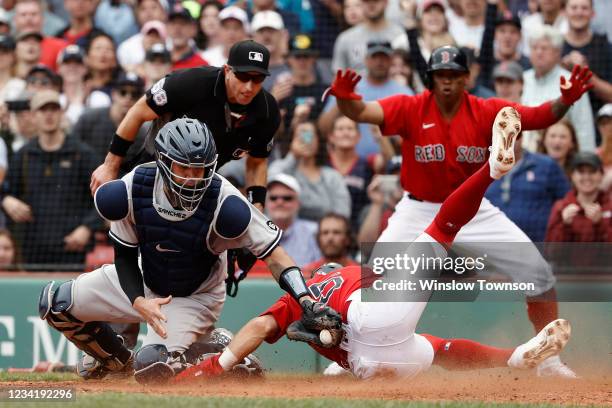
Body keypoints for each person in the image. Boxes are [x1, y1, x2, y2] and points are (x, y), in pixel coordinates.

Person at [174, 108, 572, 381]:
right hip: (375, 319)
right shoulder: (350, 276)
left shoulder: (302, 295)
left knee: (436, 349)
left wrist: (217, 367)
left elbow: (262, 326)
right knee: (442, 230)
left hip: (371, 358)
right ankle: (491, 168)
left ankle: (514, 358)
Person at [324, 45, 594, 377]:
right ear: (430, 79)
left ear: (467, 78)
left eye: (454, 75)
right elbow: (362, 111)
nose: (447, 82)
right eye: (441, 75)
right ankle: (346, 355)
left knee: (537, 272)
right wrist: (343, 99)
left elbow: (538, 116)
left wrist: (565, 101)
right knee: (372, 277)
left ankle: (549, 361)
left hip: (474, 210)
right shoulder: (410, 107)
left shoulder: (485, 110)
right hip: (417, 209)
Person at [38, 117, 341, 383]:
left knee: (152, 368)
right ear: (164, 162)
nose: (193, 178)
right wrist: (138, 300)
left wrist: (305, 299)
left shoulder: (226, 201)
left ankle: (221, 352)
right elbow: (124, 255)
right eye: (185, 167)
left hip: (194, 296)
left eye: (201, 169)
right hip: (143, 277)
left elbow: (275, 256)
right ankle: (114, 361)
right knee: (56, 303)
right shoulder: (134, 187)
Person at [90, 40, 281, 216]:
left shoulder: (267, 111)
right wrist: (110, 166)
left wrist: (256, 207)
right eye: (243, 76)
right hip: (154, 171)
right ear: (227, 70)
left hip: (202, 184)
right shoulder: (192, 82)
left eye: (257, 79)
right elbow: (138, 111)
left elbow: (257, 162)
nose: (249, 86)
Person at [2, 90, 102, 270]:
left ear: (61, 113)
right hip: (32, 249)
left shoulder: (82, 154)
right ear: (33, 116)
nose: (49, 115)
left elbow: (102, 197)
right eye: (42, 110)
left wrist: (87, 228)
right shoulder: (23, 155)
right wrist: (7, 200)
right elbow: (7, 191)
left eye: (54, 109)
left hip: (72, 247)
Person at [521, 25, 595, 152]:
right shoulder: (521, 79)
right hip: (522, 159)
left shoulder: (571, 82)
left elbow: (584, 128)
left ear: (557, 52)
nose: (539, 52)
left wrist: (585, 161)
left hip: (560, 159)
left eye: (544, 48)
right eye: (534, 48)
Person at [486, 138, 570, 242]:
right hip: (494, 246)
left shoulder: (546, 165)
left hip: (537, 247)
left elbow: (567, 200)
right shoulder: (483, 167)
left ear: (522, 136)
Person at [269, 121, 351, 222]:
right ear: (292, 141)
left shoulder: (333, 177)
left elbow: (342, 213)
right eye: (300, 135)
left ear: (318, 141)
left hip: (323, 234)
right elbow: (270, 180)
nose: (305, 140)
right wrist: (293, 156)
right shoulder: (284, 170)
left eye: (310, 135)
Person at [561, 0, 612, 120]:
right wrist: (561, 67)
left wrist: (584, 74)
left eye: (584, 8)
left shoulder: (604, 46)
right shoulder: (556, 45)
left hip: (597, 119)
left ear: (592, 13)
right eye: (574, 8)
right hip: (561, 121)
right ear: (564, 12)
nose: (579, 12)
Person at [546, 152, 612, 242]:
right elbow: (551, 252)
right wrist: (565, 226)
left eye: (592, 171)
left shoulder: (609, 206)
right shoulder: (560, 207)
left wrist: (600, 224)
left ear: (601, 175)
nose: (587, 177)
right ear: (572, 176)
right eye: (581, 172)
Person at [331, 0, 406, 74]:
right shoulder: (345, 39)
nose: (371, 4)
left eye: (376, 1)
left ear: (385, 2)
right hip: (357, 85)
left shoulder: (401, 35)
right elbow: (338, 76)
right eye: (366, 1)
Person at [265, 173, 321, 266]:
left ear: (298, 203)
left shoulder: (314, 232)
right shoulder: (255, 232)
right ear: (266, 203)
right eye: (273, 198)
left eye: (287, 198)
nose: (279, 202)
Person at [302, 213, 358, 277]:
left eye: (336, 232)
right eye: (325, 233)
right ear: (318, 238)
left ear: (347, 238)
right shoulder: (306, 273)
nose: (330, 238)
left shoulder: (359, 273)